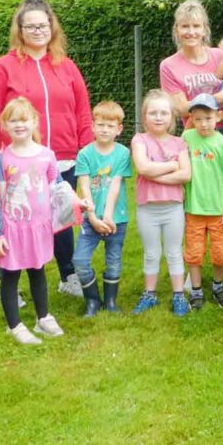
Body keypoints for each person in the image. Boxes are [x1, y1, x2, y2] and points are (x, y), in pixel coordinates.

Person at [0, 0, 92, 298]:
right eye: (31, 26)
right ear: (20, 30)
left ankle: (68, 276)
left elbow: (83, 112)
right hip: (18, 162)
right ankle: (9, 282)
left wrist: (88, 153)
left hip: (63, 158)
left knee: (61, 216)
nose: (38, 31)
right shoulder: (4, 68)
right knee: (15, 220)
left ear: (52, 27)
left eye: (43, 25)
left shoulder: (66, 66)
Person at [0, 98, 67, 344]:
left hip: (38, 229)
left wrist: (76, 205)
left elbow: (57, 186)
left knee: (38, 271)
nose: (19, 125)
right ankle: (15, 325)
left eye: (24, 119)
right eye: (13, 120)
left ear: (34, 122)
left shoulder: (47, 155)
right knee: (10, 275)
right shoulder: (0, 161)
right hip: (12, 230)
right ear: (5, 126)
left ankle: (43, 318)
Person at [130, 90, 192, 317]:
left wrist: (155, 174)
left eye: (164, 113)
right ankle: (150, 294)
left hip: (173, 207)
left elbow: (186, 175)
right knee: (151, 252)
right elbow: (143, 168)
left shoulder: (179, 143)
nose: (158, 117)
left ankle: (178, 295)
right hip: (148, 208)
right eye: (153, 113)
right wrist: (171, 166)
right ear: (144, 116)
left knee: (175, 251)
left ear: (172, 117)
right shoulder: (140, 139)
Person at [72, 101, 132, 317]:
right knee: (79, 260)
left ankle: (111, 301)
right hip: (91, 218)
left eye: (110, 125)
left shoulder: (123, 153)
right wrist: (93, 217)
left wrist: (107, 216)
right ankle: (92, 301)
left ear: (119, 129)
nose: (105, 129)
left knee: (113, 261)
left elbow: (115, 186)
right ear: (93, 126)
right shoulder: (85, 154)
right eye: (101, 125)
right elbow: (84, 187)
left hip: (117, 218)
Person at [182, 94, 223, 309]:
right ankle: (196, 291)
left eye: (208, 118)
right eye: (198, 119)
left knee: (221, 254)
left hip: (217, 210)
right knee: (194, 253)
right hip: (194, 208)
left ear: (218, 116)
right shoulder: (186, 139)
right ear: (192, 119)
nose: (203, 124)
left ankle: (218, 286)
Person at [160, 0, 223, 127]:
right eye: (185, 26)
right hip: (198, 137)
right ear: (176, 30)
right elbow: (181, 109)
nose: (191, 32)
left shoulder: (221, 55)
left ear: (204, 29)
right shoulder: (168, 66)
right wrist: (217, 99)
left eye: (196, 26)